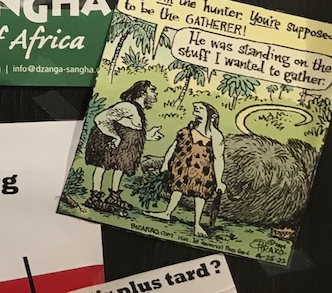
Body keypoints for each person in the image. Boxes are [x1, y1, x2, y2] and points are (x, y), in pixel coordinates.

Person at [83, 79, 164, 214]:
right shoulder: (128, 107)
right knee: (101, 166)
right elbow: (101, 118)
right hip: (107, 141)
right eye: (153, 90)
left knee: (120, 166)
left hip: (122, 146)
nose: (155, 94)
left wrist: (147, 135)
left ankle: (114, 196)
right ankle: (94, 198)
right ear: (143, 93)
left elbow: (130, 131)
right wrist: (115, 136)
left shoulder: (137, 111)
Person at [148, 101, 227, 237]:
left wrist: (219, 181)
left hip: (203, 170)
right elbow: (174, 146)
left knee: (200, 195)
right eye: (196, 107)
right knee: (177, 189)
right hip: (183, 166)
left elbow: (219, 158)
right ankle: (167, 213)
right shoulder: (188, 129)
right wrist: (165, 163)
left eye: (201, 108)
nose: (196, 108)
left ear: (211, 115)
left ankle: (197, 224)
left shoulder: (215, 135)